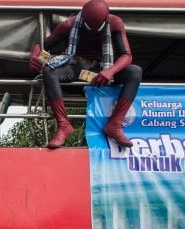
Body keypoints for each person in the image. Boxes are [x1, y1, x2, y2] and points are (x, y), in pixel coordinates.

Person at [29, 0, 142, 149]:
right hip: (76, 67)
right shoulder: (69, 24)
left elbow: (126, 56)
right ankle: (64, 125)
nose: (94, 32)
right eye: (89, 27)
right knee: (49, 71)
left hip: (102, 69)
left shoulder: (115, 23)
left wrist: (110, 71)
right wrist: (35, 53)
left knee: (135, 71)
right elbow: (43, 45)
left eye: (98, 28)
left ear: (106, 19)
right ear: (83, 19)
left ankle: (115, 124)